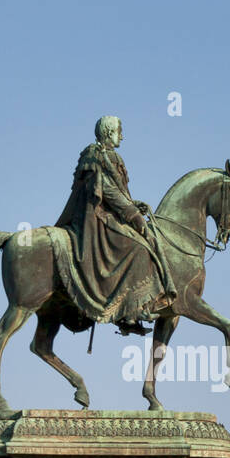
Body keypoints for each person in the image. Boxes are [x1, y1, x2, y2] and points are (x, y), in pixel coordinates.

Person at [55, 116, 176, 335]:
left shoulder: (105, 155)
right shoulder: (97, 155)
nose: (122, 135)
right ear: (109, 132)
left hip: (108, 212)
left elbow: (117, 192)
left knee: (144, 240)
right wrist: (133, 215)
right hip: (97, 218)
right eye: (119, 131)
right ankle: (129, 312)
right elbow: (107, 193)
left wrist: (133, 204)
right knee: (139, 248)